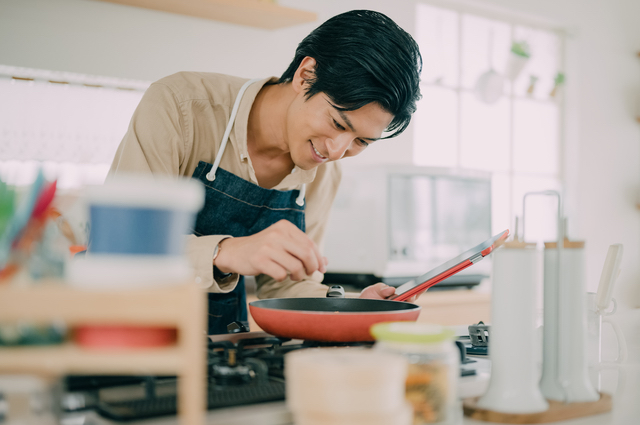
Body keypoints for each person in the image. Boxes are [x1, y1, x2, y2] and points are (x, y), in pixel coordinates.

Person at [108, 9, 423, 334]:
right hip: (130, 341)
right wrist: (224, 252)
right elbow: (121, 246)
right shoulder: (180, 106)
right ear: (305, 75)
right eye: (337, 123)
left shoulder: (324, 174)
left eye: (361, 141)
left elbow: (286, 288)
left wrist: (353, 307)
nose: (337, 151)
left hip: (223, 354)